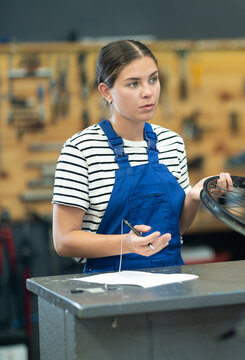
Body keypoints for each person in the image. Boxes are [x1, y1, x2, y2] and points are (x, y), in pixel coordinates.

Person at [52, 40, 231, 273]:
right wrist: (125, 244)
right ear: (106, 92)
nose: (148, 92)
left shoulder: (172, 143)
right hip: (108, 290)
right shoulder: (81, 149)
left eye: (153, 79)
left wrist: (194, 198)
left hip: (171, 282)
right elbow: (64, 242)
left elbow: (175, 229)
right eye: (133, 84)